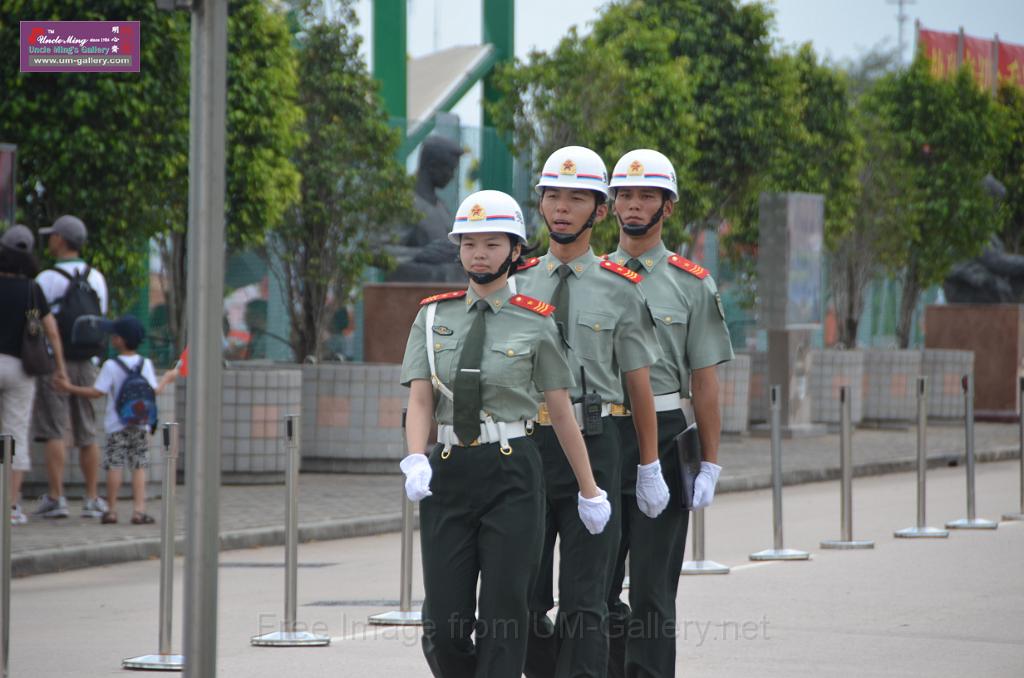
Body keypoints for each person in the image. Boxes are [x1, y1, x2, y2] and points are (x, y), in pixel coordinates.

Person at [399, 189, 612, 678]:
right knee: (445, 627)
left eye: (492, 244)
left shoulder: (536, 322)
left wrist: (589, 490)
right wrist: (415, 457)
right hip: (448, 472)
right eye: (470, 243)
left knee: (505, 613)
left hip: (513, 472)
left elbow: (560, 413)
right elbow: (420, 398)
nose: (479, 254)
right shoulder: (432, 317)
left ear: (516, 250)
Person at [516, 146, 666, 678]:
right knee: (526, 600)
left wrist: (648, 466)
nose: (561, 208)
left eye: (576, 198)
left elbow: (639, 386)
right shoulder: (516, 284)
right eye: (552, 196)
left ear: (599, 211)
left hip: (597, 444)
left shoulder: (621, 289)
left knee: (586, 600)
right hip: (527, 449)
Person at [604, 149, 734, 678]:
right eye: (626, 195)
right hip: (599, 432)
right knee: (595, 586)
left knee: (654, 588)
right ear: (611, 204)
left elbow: (704, 381)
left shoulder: (692, 283)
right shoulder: (585, 277)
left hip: (664, 426)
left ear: (668, 207)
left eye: (647, 196)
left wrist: (709, 461)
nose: (634, 205)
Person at [30, 214, 109, 519]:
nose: (49, 240)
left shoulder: (45, 279)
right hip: (88, 362)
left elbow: (36, 323)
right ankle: (92, 498)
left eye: (52, 236)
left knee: (54, 430)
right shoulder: (96, 277)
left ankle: (56, 497)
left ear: (61, 240)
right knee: (87, 430)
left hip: (54, 363)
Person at [59, 315, 157, 525]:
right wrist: (168, 379)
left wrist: (69, 388)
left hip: (116, 425)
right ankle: (139, 511)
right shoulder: (145, 363)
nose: (112, 338)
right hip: (140, 424)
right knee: (139, 466)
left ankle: (111, 510)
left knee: (115, 466)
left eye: (114, 335)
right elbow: (153, 390)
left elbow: (97, 392)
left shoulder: (111, 365)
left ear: (121, 340)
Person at [0, 225, 67, 525]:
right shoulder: (32, 289)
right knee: (15, 432)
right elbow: (51, 330)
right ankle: (11, 506)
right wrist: (60, 368)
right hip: (21, 368)